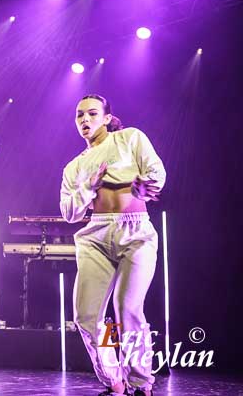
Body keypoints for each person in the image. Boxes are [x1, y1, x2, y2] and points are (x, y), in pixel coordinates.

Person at [60, 94, 166, 396]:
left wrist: (147, 185)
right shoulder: (74, 167)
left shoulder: (129, 138)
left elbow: (155, 172)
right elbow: (70, 213)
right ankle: (114, 380)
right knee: (86, 316)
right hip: (95, 236)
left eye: (92, 114)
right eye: (80, 115)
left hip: (136, 234)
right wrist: (88, 186)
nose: (85, 120)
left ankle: (141, 383)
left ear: (107, 118)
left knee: (127, 308)